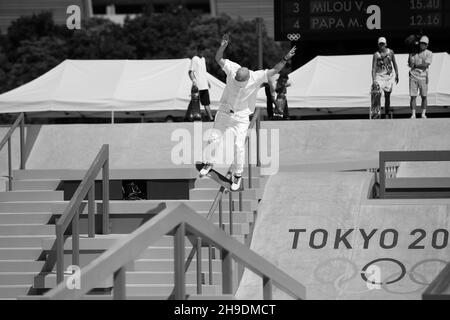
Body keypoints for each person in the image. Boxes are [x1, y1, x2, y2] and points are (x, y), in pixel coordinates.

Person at [199, 34, 297, 191]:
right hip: (224, 112)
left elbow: (275, 70)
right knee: (213, 139)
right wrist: (222, 46)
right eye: (236, 81)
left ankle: (237, 175)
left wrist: (285, 58)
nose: (237, 84)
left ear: (246, 79)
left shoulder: (256, 77)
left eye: (240, 83)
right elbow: (218, 58)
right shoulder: (232, 70)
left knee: (239, 146)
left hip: (241, 117)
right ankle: (209, 163)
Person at [372, 37, 399, 119]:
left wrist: (397, 74)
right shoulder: (376, 55)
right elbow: (373, 68)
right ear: (378, 45)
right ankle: (376, 113)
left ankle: (386, 113)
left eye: (383, 44)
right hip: (379, 77)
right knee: (376, 94)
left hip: (388, 77)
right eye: (380, 44)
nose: (381, 46)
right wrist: (374, 80)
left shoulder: (390, 52)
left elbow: (394, 63)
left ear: (386, 44)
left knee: (387, 96)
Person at [409, 35, 433, 119]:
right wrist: (410, 52)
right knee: (413, 96)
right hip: (413, 76)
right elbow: (410, 64)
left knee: (424, 96)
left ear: (427, 45)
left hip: (423, 77)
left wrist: (415, 65)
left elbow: (425, 65)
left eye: (424, 43)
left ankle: (423, 114)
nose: (423, 44)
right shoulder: (414, 52)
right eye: (422, 43)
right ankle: (413, 114)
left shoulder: (429, 53)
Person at [189, 45, 214, 121]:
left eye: (203, 51)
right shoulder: (195, 59)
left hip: (204, 85)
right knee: (194, 103)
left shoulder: (203, 59)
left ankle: (211, 118)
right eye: (201, 51)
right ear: (198, 50)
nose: (202, 52)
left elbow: (204, 72)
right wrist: (193, 81)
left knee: (206, 103)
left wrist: (207, 81)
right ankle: (190, 117)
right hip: (197, 85)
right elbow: (190, 71)